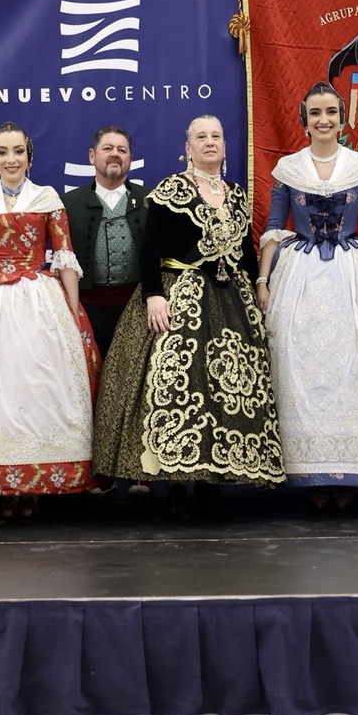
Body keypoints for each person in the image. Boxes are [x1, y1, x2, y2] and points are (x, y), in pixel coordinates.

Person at [92, 115, 284, 517]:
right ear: (188, 148)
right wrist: (154, 296)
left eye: (216, 136)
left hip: (230, 301)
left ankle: (211, 482)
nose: (210, 142)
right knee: (181, 385)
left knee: (221, 392)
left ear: (225, 147)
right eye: (201, 137)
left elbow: (245, 253)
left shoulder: (236, 195)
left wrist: (257, 286)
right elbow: (150, 248)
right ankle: (177, 483)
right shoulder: (171, 191)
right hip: (179, 296)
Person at [256, 83, 358, 510]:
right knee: (300, 365)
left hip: (352, 273)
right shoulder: (288, 168)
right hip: (299, 274)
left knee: (354, 366)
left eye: (331, 113)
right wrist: (263, 280)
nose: (324, 120)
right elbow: (273, 227)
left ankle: (349, 472)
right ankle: (312, 473)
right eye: (316, 113)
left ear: (342, 118)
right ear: (304, 120)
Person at [0, 121, 100, 517]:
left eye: (17, 152)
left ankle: (36, 483)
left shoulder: (46, 197)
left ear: (30, 157)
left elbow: (64, 256)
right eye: (2, 153)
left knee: (36, 384)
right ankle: (0, 482)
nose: (10, 160)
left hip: (37, 299)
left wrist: (73, 310)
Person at [63, 126, 149, 358]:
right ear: (92, 156)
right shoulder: (68, 203)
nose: (115, 154)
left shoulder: (150, 200)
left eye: (122, 150)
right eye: (108, 148)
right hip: (87, 308)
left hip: (137, 308)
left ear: (130, 158)